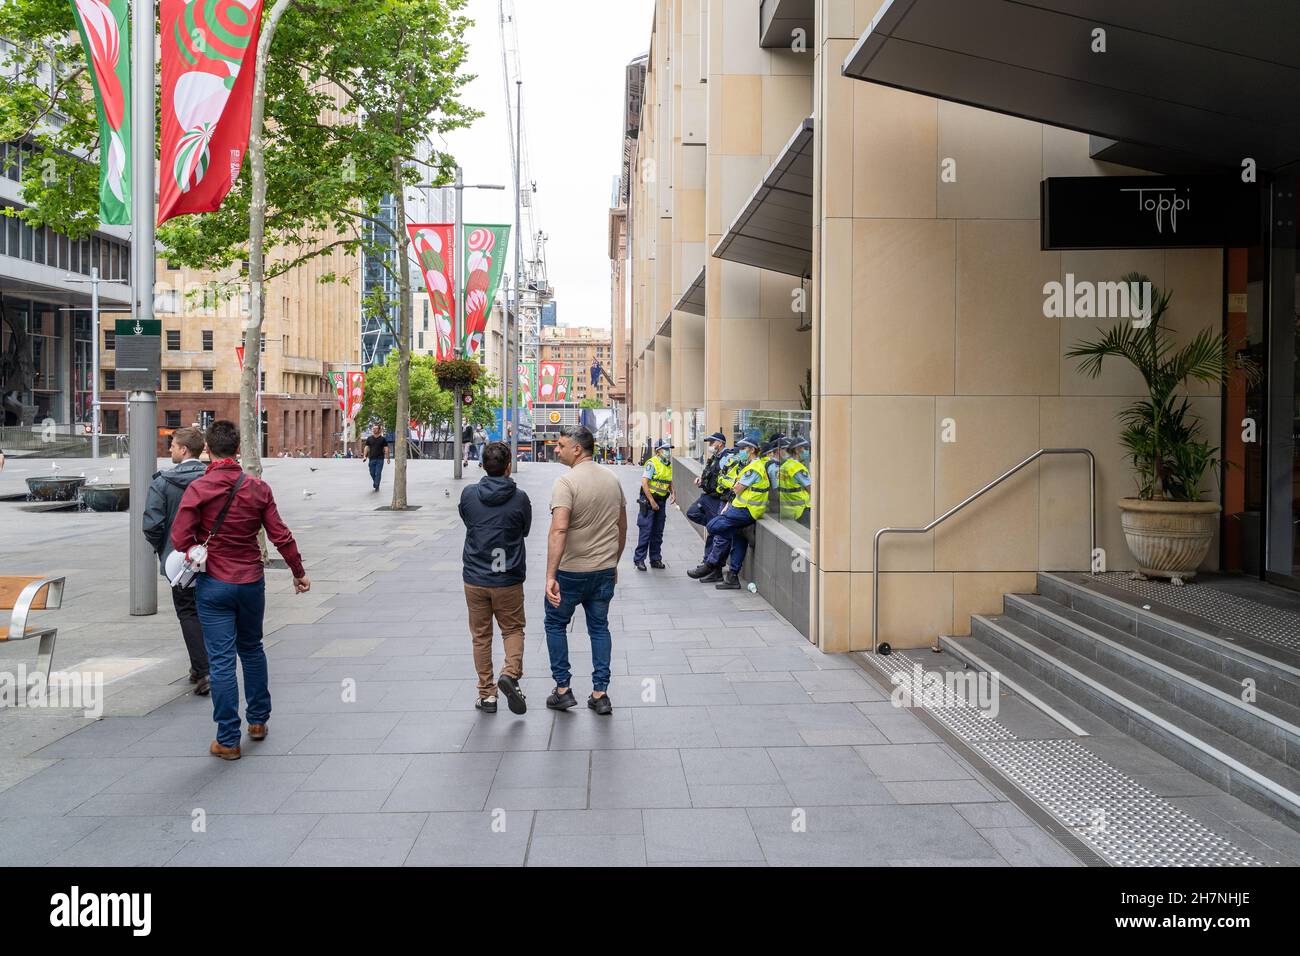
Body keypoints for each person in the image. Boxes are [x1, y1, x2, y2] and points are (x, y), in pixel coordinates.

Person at [171, 420, 310, 760]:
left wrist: (196, 550)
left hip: (214, 583)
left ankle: (228, 739)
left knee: (220, 661)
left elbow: (179, 538)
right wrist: (298, 572)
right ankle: (259, 721)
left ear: (208, 450)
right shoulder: (258, 489)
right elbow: (280, 535)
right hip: (250, 582)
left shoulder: (199, 489)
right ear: (238, 449)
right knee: (252, 649)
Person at [544, 425, 627, 715]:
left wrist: (550, 576)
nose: (556, 449)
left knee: (555, 624)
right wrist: (614, 561)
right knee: (599, 628)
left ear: (577, 449)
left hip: (570, 572)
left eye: (561, 445)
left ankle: (563, 689)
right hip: (604, 569)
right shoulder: (612, 478)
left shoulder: (565, 483)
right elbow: (622, 525)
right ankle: (600, 693)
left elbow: (559, 529)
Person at [458, 441, 532, 715]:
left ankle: (487, 695)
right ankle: (510, 674)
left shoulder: (469, 495)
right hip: (508, 578)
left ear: (482, 466)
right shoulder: (520, 498)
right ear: (509, 467)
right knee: (512, 629)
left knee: (481, 636)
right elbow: (525, 529)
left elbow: (467, 519)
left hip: (475, 578)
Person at [142, 426, 210, 695]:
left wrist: (165, 550)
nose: (169, 449)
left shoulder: (162, 482)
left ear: (184, 450)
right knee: (208, 611)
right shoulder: (211, 478)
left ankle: (204, 671)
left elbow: (152, 524)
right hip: (211, 556)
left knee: (187, 612)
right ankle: (201, 666)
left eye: (172, 445)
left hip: (179, 559)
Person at [704, 437, 770, 590]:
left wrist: (731, 483)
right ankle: (732, 577)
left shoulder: (754, 468)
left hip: (746, 510)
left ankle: (740, 529)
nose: (740, 452)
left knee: (712, 526)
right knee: (738, 541)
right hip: (743, 509)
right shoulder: (751, 466)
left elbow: (737, 488)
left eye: (743, 449)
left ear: (752, 450)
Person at [686, 431, 731, 582]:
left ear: (720, 443)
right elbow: (711, 474)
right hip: (708, 496)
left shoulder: (726, 458)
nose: (711, 445)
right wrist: (701, 480)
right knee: (692, 513)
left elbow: (727, 478)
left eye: (713, 442)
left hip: (717, 499)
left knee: (714, 532)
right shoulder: (715, 457)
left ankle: (713, 567)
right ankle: (710, 564)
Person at [633, 438, 674, 571]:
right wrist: (651, 501)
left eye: (669, 449)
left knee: (658, 532)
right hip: (649, 501)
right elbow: (644, 483)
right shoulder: (652, 463)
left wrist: (673, 492)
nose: (668, 452)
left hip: (661, 501)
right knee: (646, 530)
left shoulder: (667, 464)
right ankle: (639, 559)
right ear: (658, 451)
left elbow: (668, 481)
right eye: (666, 449)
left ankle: (655, 559)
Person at [778, 436, 812, 523]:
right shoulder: (798, 468)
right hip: (800, 510)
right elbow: (811, 489)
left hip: (786, 509)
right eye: (805, 448)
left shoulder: (784, 466)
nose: (807, 451)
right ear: (797, 450)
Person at [363, 423, 389, 492]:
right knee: (372, 472)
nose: (374, 430)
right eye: (373, 429)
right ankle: (376, 482)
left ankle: (376, 484)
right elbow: (366, 448)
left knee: (378, 473)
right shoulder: (369, 438)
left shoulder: (383, 439)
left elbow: (386, 449)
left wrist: (388, 458)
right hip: (371, 458)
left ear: (379, 430)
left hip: (380, 459)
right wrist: (365, 456)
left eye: (376, 428)